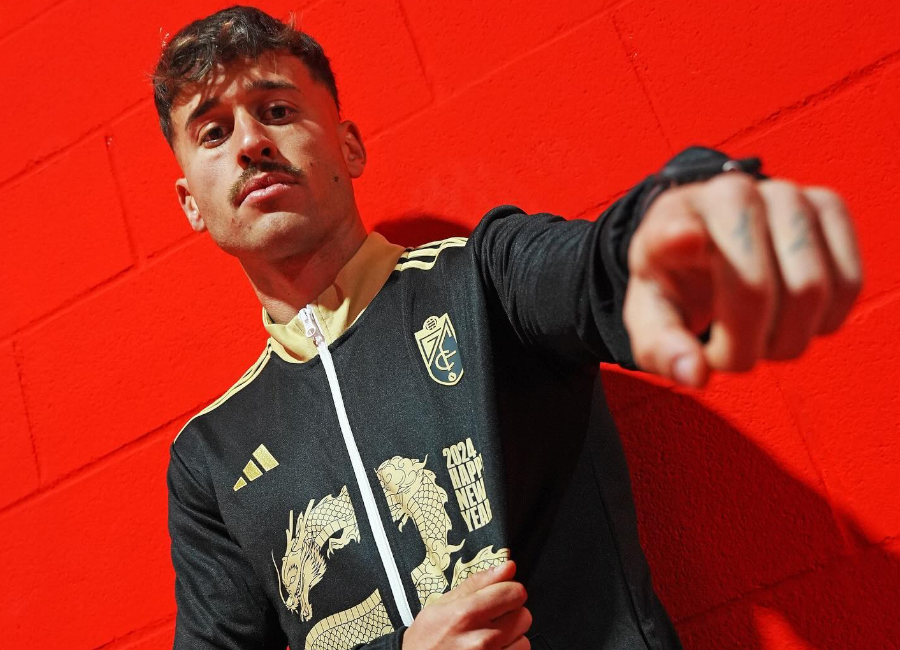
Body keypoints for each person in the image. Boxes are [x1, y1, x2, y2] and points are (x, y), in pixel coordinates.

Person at [154, 6, 862, 650]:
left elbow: (592, 268)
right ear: (190, 204)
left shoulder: (485, 279)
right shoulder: (209, 458)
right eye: (214, 131)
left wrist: (687, 217)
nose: (251, 142)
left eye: (277, 109)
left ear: (351, 148)